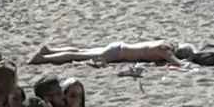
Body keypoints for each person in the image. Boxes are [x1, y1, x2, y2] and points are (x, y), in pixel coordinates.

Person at [28, 40, 197, 67]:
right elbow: (178, 63)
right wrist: (188, 62)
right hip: (117, 53)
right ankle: (43, 58)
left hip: (118, 47)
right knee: (78, 56)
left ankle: (49, 51)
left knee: (80, 52)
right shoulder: (166, 50)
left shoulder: (164, 44)